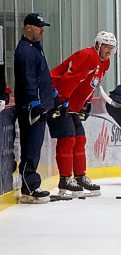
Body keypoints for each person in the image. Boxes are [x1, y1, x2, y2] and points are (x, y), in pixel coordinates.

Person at [47, 31, 117, 197]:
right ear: (98, 45)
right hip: (57, 97)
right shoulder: (88, 56)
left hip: (71, 103)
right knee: (68, 138)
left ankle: (79, 176)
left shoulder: (104, 63)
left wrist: (86, 102)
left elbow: (91, 84)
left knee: (80, 138)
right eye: (106, 46)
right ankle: (65, 179)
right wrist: (61, 100)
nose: (109, 50)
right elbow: (70, 78)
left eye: (111, 47)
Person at [14, 13, 53, 204]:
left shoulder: (35, 48)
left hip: (41, 104)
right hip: (31, 108)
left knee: (35, 147)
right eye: (38, 27)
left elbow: (42, 76)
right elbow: (28, 79)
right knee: (30, 147)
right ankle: (29, 187)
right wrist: (34, 102)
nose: (42, 30)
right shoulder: (25, 51)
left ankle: (31, 184)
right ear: (28, 27)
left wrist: (52, 94)